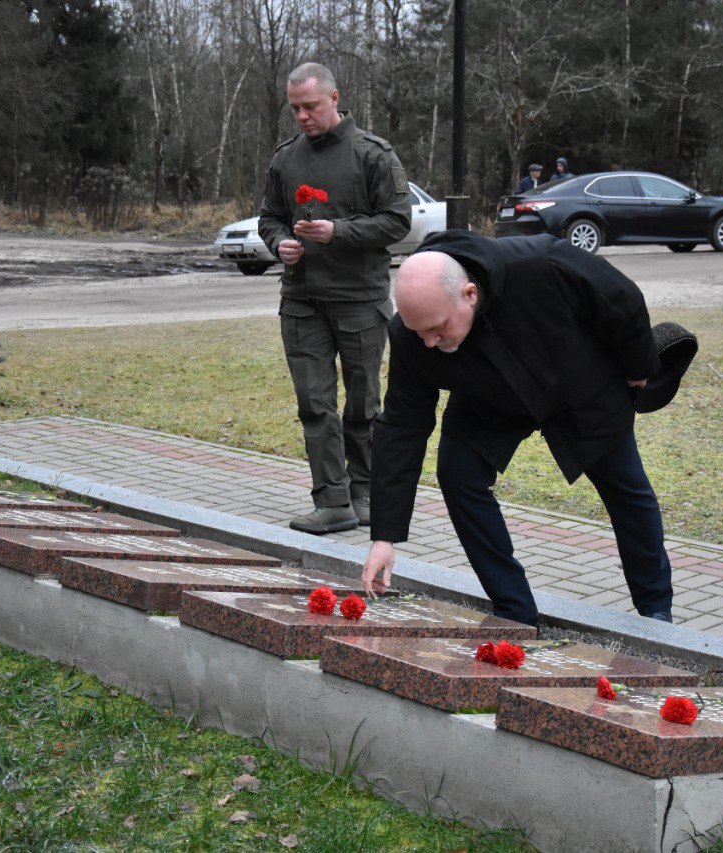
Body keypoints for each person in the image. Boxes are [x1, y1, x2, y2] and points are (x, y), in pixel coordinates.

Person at [361, 231, 693, 626]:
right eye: (419, 331)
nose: (429, 342)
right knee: (458, 474)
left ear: (469, 293)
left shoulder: (542, 264)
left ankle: (656, 610)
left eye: (437, 327)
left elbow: (621, 302)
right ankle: (514, 609)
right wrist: (385, 535)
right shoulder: (414, 336)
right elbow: (401, 427)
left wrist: (639, 371)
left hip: (578, 385)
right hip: (487, 397)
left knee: (626, 488)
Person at [258, 63, 412, 534]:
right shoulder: (285, 159)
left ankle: (365, 493)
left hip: (360, 301)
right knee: (315, 404)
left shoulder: (373, 155)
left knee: (363, 404)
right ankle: (333, 501)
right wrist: (278, 242)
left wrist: (337, 231)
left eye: (311, 106)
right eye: (295, 108)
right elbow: (269, 217)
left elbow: (397, 221)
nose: (302, 116)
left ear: (334, 98)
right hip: (302, 300)